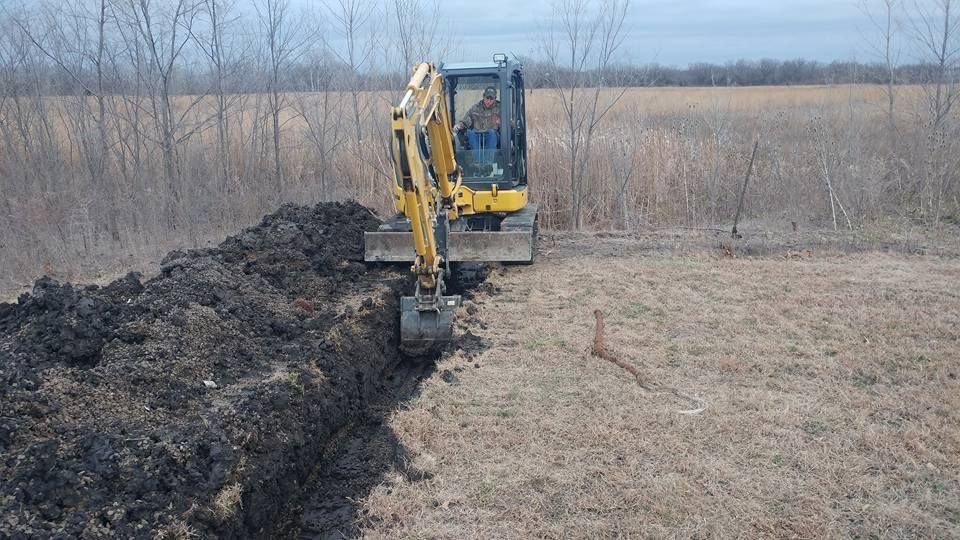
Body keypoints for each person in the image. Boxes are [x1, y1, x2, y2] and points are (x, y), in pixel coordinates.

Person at [453, 86, 500, 163]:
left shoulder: (500, 108)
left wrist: (500, 123)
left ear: (495, 99)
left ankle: (488, 163)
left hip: (492, 137)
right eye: (487, 98)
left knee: (492, 132)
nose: (488, 101)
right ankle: (477, 163)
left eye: (491, 99)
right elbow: (466, 120)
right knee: (471, 132)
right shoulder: (475, 108)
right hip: (477, 136)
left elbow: (509, 124)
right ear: (483, 97)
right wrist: (459, 125)